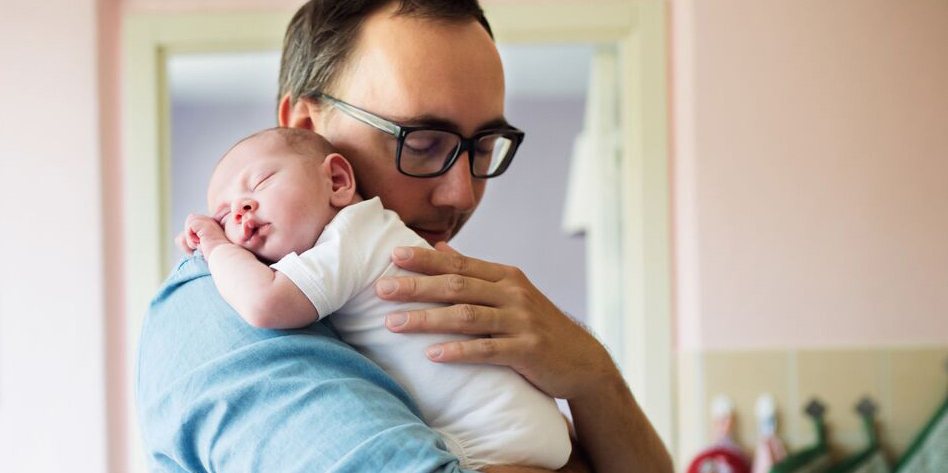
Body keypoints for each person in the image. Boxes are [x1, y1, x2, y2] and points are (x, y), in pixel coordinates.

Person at [136, 0, 673, 472]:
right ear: (307, 129)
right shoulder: (217, 308)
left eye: (483, 147)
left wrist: (595, 376)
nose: (461, 194)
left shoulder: (425, 293)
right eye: (420, 142)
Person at [177, 127, 571, 470]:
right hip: (528, 428)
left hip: (490, 437)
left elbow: (265, 303)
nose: (242, 209)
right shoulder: (371, 233)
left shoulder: (353, 234)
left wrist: (215, 244)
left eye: (260, 183)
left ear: (336, 180)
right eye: (224, 215)